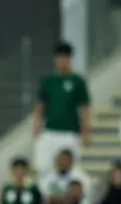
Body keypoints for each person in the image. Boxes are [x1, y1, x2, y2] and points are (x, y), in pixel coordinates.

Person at [32, 42, 91, 182]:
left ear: (70, 59)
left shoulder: (77, 81)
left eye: (65, 58)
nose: (62, 61)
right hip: (50, 131)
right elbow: (40, 104)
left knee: (72, 169)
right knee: (44, 167)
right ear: (55, 59)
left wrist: (85, 130)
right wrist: (36, 124)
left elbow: (84, 107)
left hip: (70, 132)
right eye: (59, 58)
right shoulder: (48, 81)